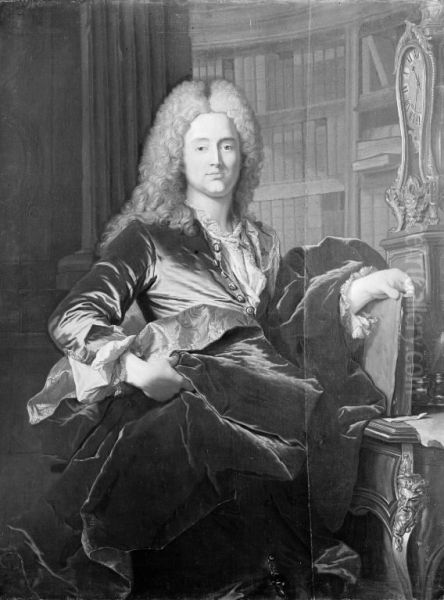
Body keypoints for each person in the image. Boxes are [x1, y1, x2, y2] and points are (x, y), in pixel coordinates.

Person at [1, 79, 414, 600]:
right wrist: (135, 368)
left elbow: (283, 323)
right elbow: (73, 314)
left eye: (227, 145)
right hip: (188, 400)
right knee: (192, 444)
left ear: (245, 155)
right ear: (177, 157)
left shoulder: (261, 243)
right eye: (200, 147)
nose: (216, 160)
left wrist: (355, 291)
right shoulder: (147, 238)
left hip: (265, 405)